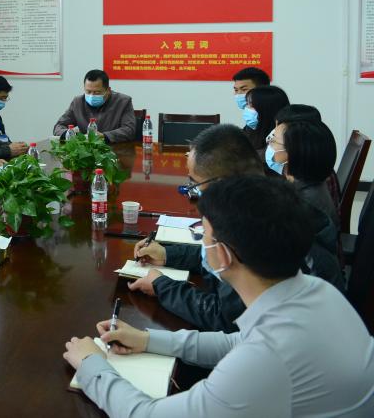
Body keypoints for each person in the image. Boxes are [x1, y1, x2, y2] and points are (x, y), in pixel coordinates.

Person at [64, 175, 374, 417]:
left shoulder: (265, 360)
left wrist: (93, 366)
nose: (202, 245)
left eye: (204, 236)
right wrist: (147, 340)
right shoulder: (318, 291)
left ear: (222, 255)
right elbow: (236, 342)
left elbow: (146, 414)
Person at [130, 124, 344, 332]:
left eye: (195, 183)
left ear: (221, 183)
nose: (193, 191)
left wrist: (162, 286)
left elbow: (227, 319)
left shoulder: (258, 227)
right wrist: (168, 254)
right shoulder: (266, 201)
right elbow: (215, 257)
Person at [268, 118, 339, 229]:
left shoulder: (302, 203)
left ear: (293, 153)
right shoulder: (308, 183)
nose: (269, 143)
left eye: (273, 140)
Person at [53, 69, 136, 143]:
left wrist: (104, 136)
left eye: (97, 92)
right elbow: (58, 126)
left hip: (115, 149)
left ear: (108, 90)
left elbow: (129, 130)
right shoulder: (77, 102)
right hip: (84, 150)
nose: (92, 96)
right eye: (88, 91)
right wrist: (69, 133)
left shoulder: (123, 102)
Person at [241, 84, 289, 153]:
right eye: (247, 104)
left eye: (252, 105)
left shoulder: (281, 141)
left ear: (267, 109)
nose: (247, 108)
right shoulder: (249, 131)